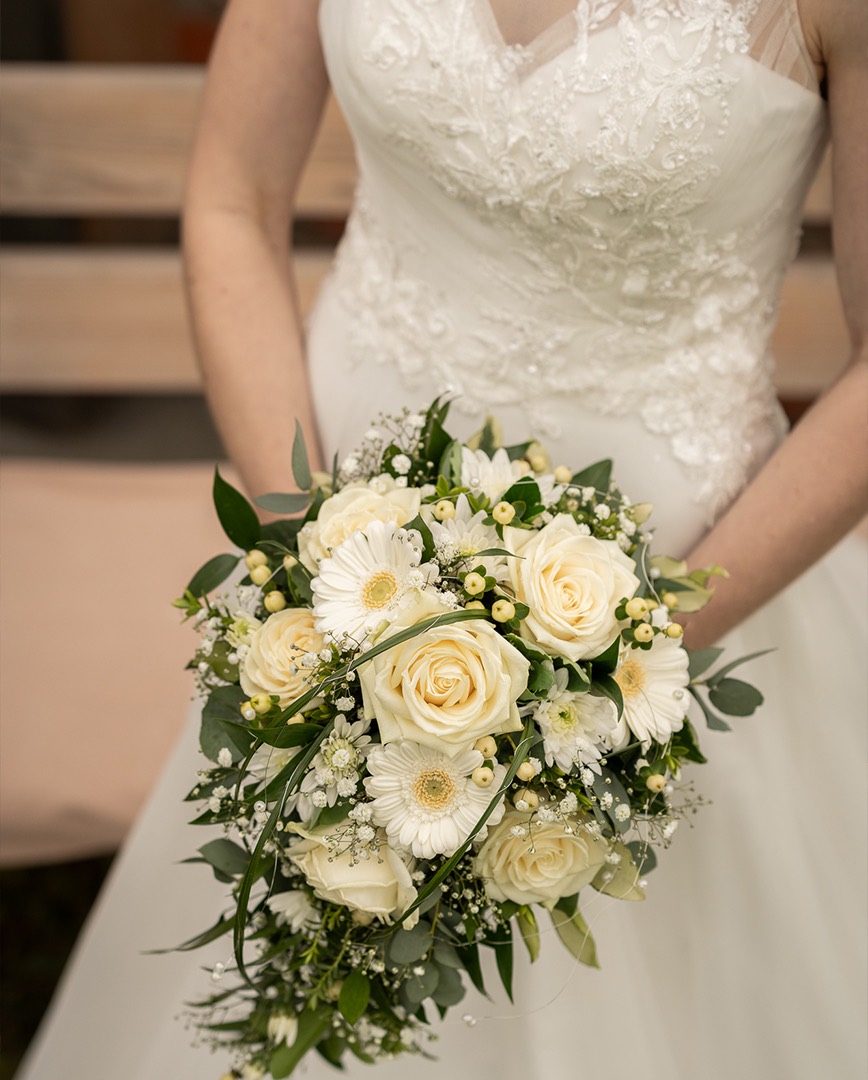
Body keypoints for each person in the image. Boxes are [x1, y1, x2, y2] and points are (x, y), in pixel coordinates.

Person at [18, 2, 867, 1078]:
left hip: (681, 596)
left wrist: (624, 670)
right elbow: (233, 196)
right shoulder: (317, 585)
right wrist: (310, 572)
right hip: (331, 562)